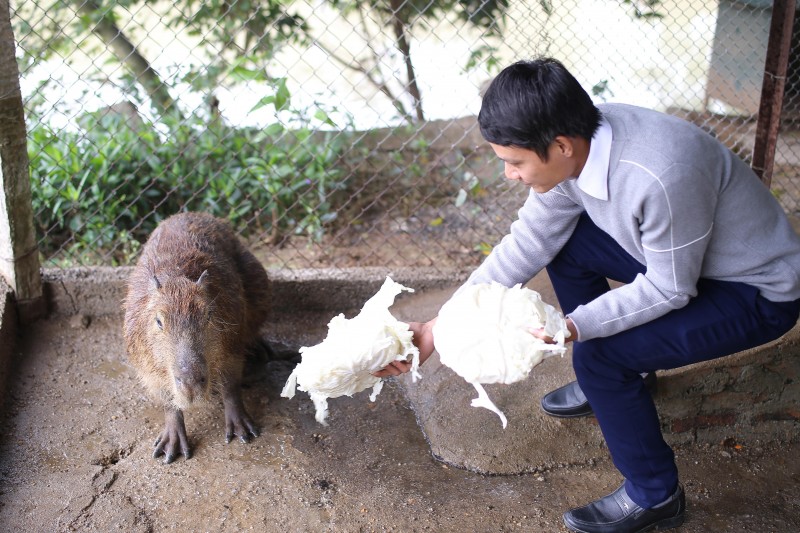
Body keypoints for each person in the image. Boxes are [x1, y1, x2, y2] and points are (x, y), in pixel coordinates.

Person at [374, 57, 800, 533]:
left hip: (754, 289)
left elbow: (670, 288)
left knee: (599, 355)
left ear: (559, 145)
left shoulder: (659, 174)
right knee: (566, 246)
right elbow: (530, 240)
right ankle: (632, 376)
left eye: (514, 162)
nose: (509, 175)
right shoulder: (578, 144)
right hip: (689, 261)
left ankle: (655, 496)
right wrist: (437, 327)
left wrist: (572, 327)